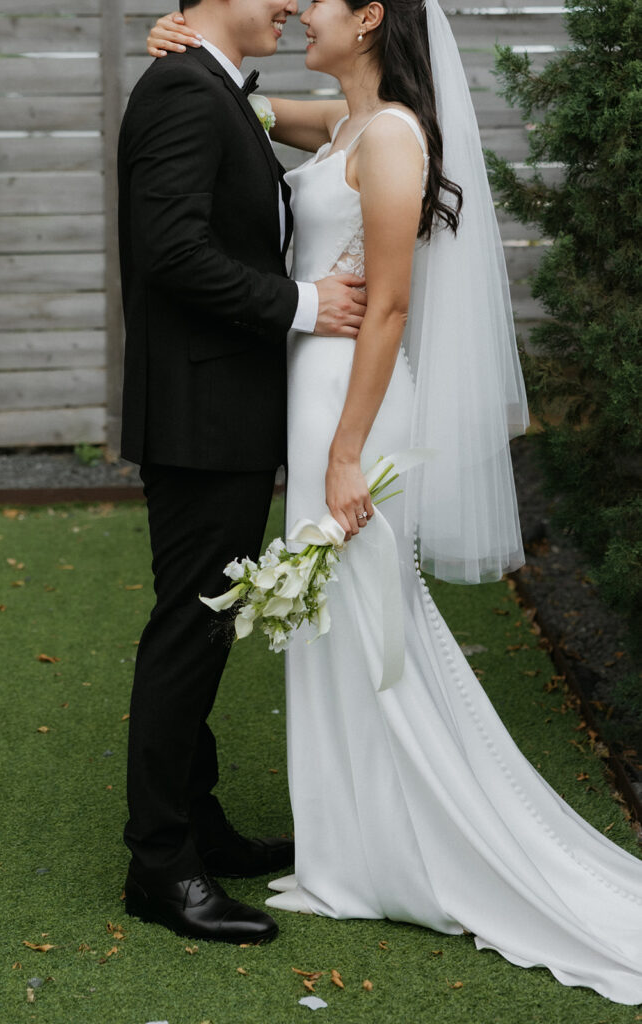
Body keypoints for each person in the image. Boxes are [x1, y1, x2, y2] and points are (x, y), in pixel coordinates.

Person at [147, 0, 642, 1004]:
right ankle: (350, 850)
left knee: (376, 626)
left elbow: (392, 305)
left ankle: (418, 849)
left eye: (319, 3)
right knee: (332, 629)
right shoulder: (342, 125)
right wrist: (186, 34)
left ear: (369, 20)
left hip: (353, 411)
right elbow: (239, 103)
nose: (299, 11)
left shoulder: (395, 136)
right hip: (315, 398)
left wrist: (340, 455)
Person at [118, 0, 369, 947]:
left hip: (220, 410)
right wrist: (302, 304)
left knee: (206, 621)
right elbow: (172, 251)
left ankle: (201, 824)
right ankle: (159, 863)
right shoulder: (185, 89)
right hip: (199, 414)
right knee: (189, 628)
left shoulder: (212, 86)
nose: (294, 8)